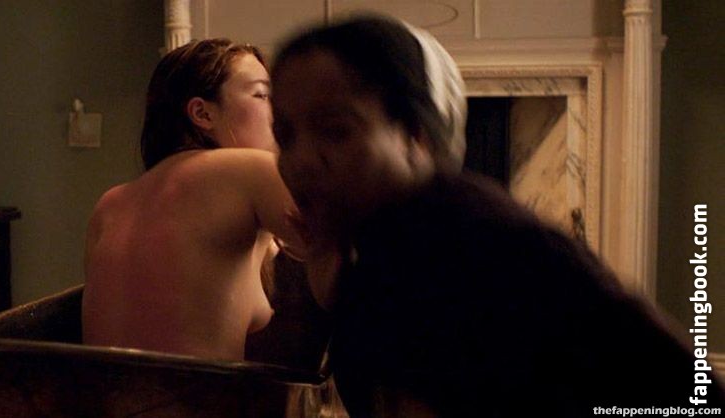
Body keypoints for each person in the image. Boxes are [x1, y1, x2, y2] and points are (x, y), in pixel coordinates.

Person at [270, 16, 724, 416]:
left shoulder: (482, 243)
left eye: (336, 131)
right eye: (285, 135)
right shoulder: (380, 251)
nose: (301, 161)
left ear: (416, 137)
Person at [81, 39, 304, 361]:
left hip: (96, 392)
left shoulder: (109, 204)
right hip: (201, 393)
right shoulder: (251, 170)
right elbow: (354, 256)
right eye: (262, 95)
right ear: (202, 113)